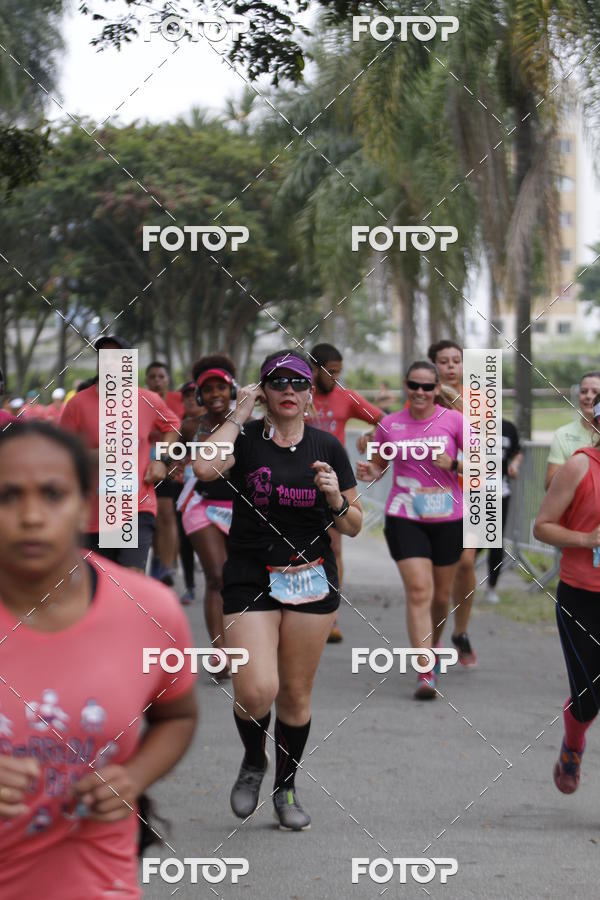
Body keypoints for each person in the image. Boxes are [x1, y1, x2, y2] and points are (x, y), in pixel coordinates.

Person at [0, 420, 198, 899]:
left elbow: (178, 715)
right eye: (8, 496)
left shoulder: (149, 609)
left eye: (52, 494)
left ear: (85, 504)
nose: (31, 515)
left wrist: (133, 776)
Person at [193, 349, 362, 830]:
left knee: (293, 696)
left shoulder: (327, 447)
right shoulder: (243, 438)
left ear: (310, 394)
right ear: (263, 391)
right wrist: (237, 414)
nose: (289, 390)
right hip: (250, 575)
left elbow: (352, 525)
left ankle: (286, 787)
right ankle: (253, 759)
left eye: (298, 383)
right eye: (278, 382)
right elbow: (204, 469)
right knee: (255, 689)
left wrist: (332, 497)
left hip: (310, 576)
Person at [357, 360, 464, 700]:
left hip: (448, 517)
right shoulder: (389, 425)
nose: (420, 392)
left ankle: (433, 645)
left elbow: (485, 466)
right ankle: (425, 670)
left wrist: (456, 464)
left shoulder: (454, 421)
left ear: (436, 390)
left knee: (441, 597)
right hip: (404, 515)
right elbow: (379, 466)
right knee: (420, 590)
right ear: (406, 385)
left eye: (427, 387)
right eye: (414, 385)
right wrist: (369, 472)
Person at [60, 336, 180, 572]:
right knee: (102, 590)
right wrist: (96, 456)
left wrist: (160, 459)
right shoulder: (78, 405)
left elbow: (172, 426)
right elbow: (60, 452)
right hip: (93, 512)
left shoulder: (146, 400)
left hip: (136, 507)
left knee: (130, 581)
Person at [533, 393, 600, 795]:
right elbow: (542, 526)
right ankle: (573, 744)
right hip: (582, 598)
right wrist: (585, 537)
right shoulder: (579, 466)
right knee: (589, 698)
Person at [307, 342, 383, 643]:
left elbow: (384, 420)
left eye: (339, 372)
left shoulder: (346, 397)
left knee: (334, 548)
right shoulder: (299, 394)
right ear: (314, 369)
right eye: (330, 372)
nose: (336, 378)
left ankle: (331, 615)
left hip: (333, 482)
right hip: (297, 478)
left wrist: (370, 435)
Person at [178, 356, 238, 663]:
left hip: (240, 508)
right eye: (209, 390)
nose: (215, 394)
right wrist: (162, 465)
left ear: (232, 391)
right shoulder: (190, 427)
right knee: (217, 576)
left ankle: (246, 642)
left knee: (238, 578)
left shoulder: (248, 426)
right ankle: (220, 652)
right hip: (200, 505)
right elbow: (168, 456)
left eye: (221, 388)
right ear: (200, 396)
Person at [427, 340, 477, 668]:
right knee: (437, 580)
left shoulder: (476, 403)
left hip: (471, 492)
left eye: (456, 361)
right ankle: (432, 640)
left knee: (467, 565)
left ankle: (460, 632)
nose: (450, 366)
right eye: (443, 361)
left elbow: (487, 454)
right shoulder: (423, 398)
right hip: (432, 496)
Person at [146, 361, 185, 585]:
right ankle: (159, 559)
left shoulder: (177, 400)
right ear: (147, 380)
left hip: (170, 463)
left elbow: (186, 430)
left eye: (161, 376)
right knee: (150, 517)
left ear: (168, 379)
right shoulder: (140, 401)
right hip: (143, 466)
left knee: (167, 514)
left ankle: (166, 567)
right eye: (153, 376)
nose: (157, 380)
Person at [484, 419, 522, 603]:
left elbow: (517, 452)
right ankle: (458, 582)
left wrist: (514, 465)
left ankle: (492, 586)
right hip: (471, 492)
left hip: (500, 492)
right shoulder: (467, 424)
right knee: (469, 543)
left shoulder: (508, 427)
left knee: (495, 541)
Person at [545, 371, 600, 488]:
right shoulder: (563, 433)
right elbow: (550, 485)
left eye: (595, 392)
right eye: (584, 391)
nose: (588, 396)